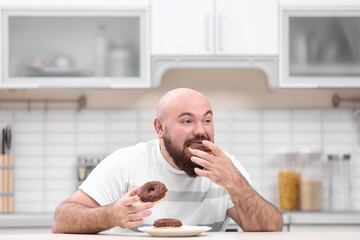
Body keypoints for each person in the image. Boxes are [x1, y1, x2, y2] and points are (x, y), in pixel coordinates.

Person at [52, 88, 283, 233]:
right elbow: (62, 220)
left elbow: (271, 228)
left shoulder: (226, 168)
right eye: (186, 121)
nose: (200, 131)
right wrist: (111, 215)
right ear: (160, 128)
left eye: (207, 120)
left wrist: (236, 183)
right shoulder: (126, 162)